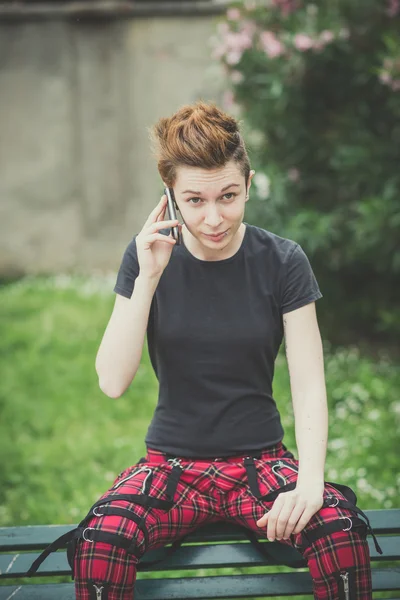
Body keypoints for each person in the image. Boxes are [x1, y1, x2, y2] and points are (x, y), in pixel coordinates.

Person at [27, 101, 381, 599]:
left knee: (340, 533)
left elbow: (308, 383)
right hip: (171, 468)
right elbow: (111, 382)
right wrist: (148, 276)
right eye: (194, 200)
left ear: (249, 185)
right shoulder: (147, 256)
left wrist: (309, 482)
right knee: (102, 541)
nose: (214, 218)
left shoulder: (283, 261)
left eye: (229, 196)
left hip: (262, 466)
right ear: (169, 196)